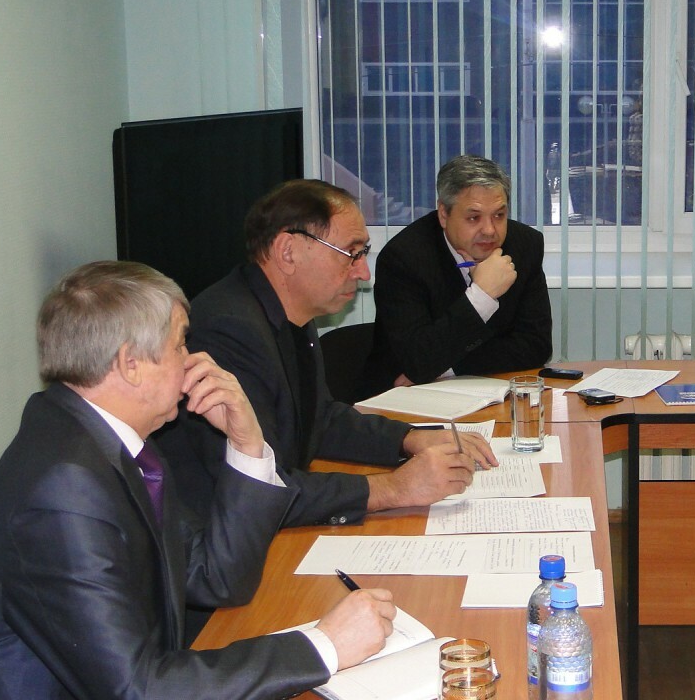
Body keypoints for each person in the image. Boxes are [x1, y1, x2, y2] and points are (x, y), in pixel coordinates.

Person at [0, 261, 396, 699]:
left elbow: (216, 577)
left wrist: (247, 443)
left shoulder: (111, 443)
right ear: (131, 364)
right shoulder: (64, 490)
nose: (193, 360)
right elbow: (139, 690)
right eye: (180, 344)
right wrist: (324, 647)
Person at [154, 179, 496, 536]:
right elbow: (261, 485)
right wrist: (392, 489)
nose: (363, 273)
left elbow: (321, 418)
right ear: (288, 251)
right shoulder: (228, 331)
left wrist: (411, 439)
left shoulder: (289, 312)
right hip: (213, 543)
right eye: (351, 253)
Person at [363, 154, 553, 395]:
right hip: (403, 399)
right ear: (444, 214)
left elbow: (537, 346)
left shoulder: (525, 245)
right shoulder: (403, 258)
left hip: (488, 393)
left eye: (499, 215)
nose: (490, 230)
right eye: (474, 217)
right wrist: (482, 296)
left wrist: (447, 367)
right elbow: (417, 359)